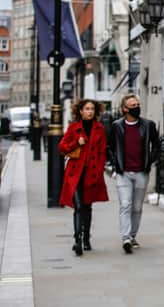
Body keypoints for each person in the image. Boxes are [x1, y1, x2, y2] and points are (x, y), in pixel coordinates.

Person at [109, 93, 160, 254]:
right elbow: (110, 146)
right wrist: (116, 164)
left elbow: (157, 146)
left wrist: (149, 162)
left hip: (141, 173)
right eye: (133, 105)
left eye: (138, 104)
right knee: (125, 204)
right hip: (123, 172)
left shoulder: (148, 125)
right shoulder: (117, 126)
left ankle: (132, 235)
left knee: (137, 207)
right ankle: (125, 238)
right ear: (124, 109)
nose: (137, 107)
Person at [58, 99, 109, 256]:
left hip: (92, 173)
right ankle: (77, 240)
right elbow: (61, 147)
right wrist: (76, 142)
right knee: (78, 206)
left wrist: (99, 171)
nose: (89, 111)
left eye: (92, 109)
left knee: (87, 206)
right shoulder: (74, 128)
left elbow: (102, 153)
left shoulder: (100, 128)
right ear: (80, 111)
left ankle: (86, 238)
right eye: (86, 109)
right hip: (75, 173)